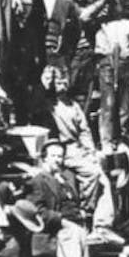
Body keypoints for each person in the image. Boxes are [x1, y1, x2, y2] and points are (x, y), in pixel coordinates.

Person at [27, 141, 109, 257]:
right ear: (44, 158)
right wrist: (61, 221)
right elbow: (38, 212)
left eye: (60, 156)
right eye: (53, 156)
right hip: (63, 232)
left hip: (79, 229)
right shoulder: (39, 180)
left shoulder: (65, 177)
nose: (57, 160)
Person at [41, 65, 119, 241]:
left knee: (103, 178)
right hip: (61, 148)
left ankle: (102, 224)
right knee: (92, 173)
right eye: (58, 82)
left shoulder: (73, 106)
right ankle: (87, 210)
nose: (62, 85)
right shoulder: (49, 104)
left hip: (77, 149)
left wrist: (91, 151)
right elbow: (40, 95)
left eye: (64, 81)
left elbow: (84, 131)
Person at [88, 0, 129, 150]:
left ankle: (119, 137)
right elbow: (85, 17)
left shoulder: (127, 24)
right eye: (109, 5)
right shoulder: (99, 24)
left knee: (124, 104)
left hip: (124, 63)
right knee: (108, 103)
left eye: (116, 5)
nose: (113, 9)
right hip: (106, 63)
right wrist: (102, 2)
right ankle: (106, 141)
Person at [37, 0, 82, 75]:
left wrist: (65, 48)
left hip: (59, 54)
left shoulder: (66, 2)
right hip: (37, 55)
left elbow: (75, 30)